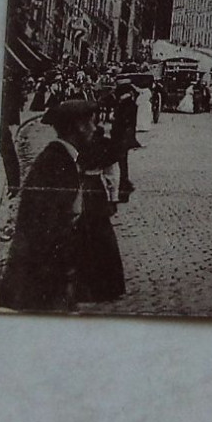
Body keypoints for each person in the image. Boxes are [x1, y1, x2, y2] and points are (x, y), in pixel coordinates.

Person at [0, 99, 96, 311]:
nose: (94, 129)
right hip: (39, 278)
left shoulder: (62, 159)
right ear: (79, 127)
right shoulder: (56, 163)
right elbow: (47, 227)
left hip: (45, 276)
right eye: (91, 123)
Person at [73, 124, 126, 303]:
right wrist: (113, 198)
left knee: (84, 233)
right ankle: (107, 285)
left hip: (83, 187)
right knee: (101, 235)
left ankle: (84, 286)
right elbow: (113, 175)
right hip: (96, 189)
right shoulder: (105, 145)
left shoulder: (77, 143)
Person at [110, 79, 140, 201]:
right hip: (123, 137)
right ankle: (123, 188)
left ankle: (123, 189)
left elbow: (124, 121)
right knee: (122, 164)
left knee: (120, 164)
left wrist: (115, 118)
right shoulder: (128, 102)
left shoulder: (126, 104)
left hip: (121, 137)